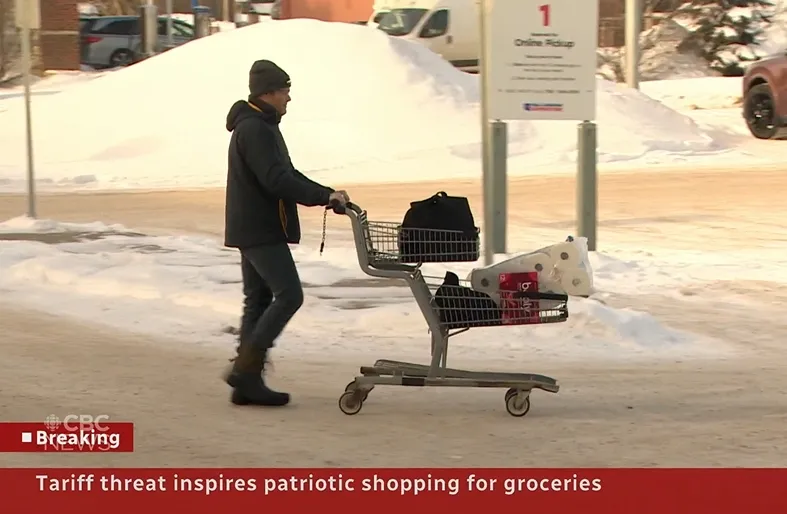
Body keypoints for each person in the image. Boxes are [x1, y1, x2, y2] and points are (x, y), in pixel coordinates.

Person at [222, 59, 350, 407]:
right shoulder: (255, 129)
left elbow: (287, 172)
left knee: (258, 300)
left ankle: (247, 381)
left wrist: (326, 193)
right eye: (284, 91)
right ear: (268, 93)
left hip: (252, 225)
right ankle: (245, 370)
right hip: (260, 227)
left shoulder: (260, 125)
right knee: (289, 295)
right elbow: (276, 180)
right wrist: (323, 197)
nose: (289, 98)